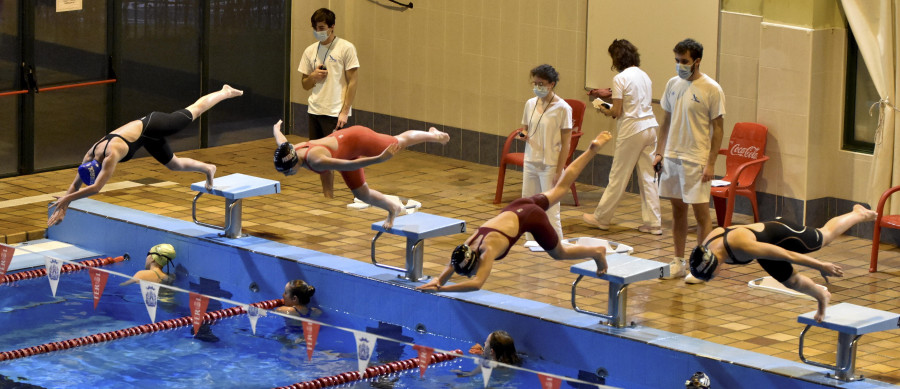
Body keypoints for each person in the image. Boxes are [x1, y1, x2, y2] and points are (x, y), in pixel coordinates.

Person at [416, 132, 613, 293]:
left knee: (560, 253)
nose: (469, 275)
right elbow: (453, 263)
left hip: (532, 217)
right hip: (519, 206)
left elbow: (477, 284)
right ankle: (591, 150)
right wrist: (439, 280)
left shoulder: (487, 252)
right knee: (560, 188)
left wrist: (442, 289)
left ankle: (596, 252)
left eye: (469, 272)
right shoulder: (468, 246)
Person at [48, 85, 243, 226]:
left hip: (153, 124)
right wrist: (64, 206)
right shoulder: (90, 155)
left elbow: (97, 187)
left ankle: (224, 92)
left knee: (195, 110)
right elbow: (75, 184)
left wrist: (68, 199)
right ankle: (208, 168)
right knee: (174, 164)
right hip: (145, 138)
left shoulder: (111, 154)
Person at [688, 205, 877, 322]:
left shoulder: (741, 246)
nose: (712, 280)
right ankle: (821, 296)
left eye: (711, 277)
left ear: (716, 265)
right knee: (791, 281)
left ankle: (858, 214)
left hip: (781, 233)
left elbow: (788, 255)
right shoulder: (707, 246)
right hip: (763, 244)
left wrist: (820, 265)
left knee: (824, 237)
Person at [272, 120, 449, 229]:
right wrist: (276, 127)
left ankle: (433, 135)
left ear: (294, 162)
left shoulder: (316, 159)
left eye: (288, 172)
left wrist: (380, 158)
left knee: (399, 142)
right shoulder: (290, 150)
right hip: (346, 152)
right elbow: (280, 139)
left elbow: (351, 165)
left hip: (358, 138)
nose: (288, 175)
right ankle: (393, 208)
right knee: (361, 194)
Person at [654, 38, 725, 282]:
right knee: (677, 211)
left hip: (696, 159)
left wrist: (711, 163)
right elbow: (665, 122)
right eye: (676, 61)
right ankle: (678, 262)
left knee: (702, 215)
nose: (679, 65)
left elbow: (718, 129)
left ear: (696, 61)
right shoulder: (672, 84)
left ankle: (702, 266)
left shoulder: (711, 89)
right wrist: (659, 152)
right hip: (672, 156)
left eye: (683, 61)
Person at [582, 39, 662, 235]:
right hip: (650, 127)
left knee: (618, 175)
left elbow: (617, 111)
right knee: (648, 177)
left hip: (632, 129)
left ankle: (601, 218)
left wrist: (600, 105)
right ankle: (653, 223)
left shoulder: (620, 78)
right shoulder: (644, 76)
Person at [298, 8, 360, 198]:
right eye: (316, 28)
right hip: (315, 110)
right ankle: (328, 196)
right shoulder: (310, 51)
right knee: (320, 158)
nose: (319, 31)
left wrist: (344, 111)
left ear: (332, 27)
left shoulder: (346, 48)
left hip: (335, 112)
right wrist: (314, 77)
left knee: (343, 157)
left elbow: (353, 81)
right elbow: (304, 85)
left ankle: (359, 192)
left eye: (323, 28)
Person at [519, 64, 573, 239]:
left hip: (550, 165)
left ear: (552, 84)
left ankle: (556, 245)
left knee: (550, 210)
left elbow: (566, 143)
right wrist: (523, 134)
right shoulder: (530, 104)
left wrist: (559, 171)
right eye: (535, 83)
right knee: (528, 206)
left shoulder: (563, 108)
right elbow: (524, 128)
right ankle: (530, 242)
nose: (537, 88)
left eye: (541, 84)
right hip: (531, 162)